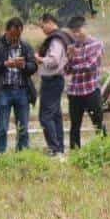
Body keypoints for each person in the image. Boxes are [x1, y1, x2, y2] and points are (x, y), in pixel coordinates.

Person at [0, 17, 39, 155]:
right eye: (13, 35)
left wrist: (24, 65)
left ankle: (22, 156)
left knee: (23, 128)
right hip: (3, 91)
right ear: (7, 31)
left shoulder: (25, 47)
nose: (15, 38)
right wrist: (4, 64)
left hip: (22, 90)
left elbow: (34, 66)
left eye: (18, 35)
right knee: (2, 127)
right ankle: (0, 157)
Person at [64, 16, 106, 150]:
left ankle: (106, 149)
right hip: (75, 91)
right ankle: (75, 154)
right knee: (75, 126)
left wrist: (75, 62)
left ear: (85, 28)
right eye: (73, 32)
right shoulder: (71, 47)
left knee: (98, 123)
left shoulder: (96, 44)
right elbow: (66, 70)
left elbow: (90, 65)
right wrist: (70, 57)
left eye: (79, 30)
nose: (77, 34)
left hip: (91, 89)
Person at [35, 13, 71, 155]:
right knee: (55, 116)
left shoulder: (55, 39)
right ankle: (59, 147)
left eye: (42, 25)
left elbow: (54, 61)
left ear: (49, 22)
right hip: (57, 80)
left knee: (45, 116)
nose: (42, 29)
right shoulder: (62, 37)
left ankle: (54, 148)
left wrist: (40, 59)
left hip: (52, 81)